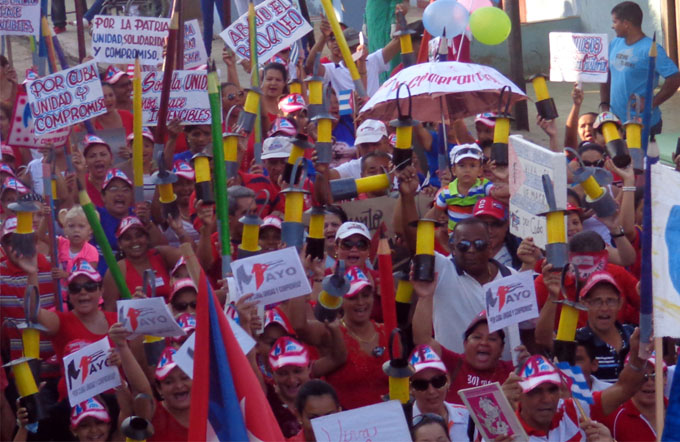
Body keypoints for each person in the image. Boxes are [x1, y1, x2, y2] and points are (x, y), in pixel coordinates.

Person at [412, 275, 515, 404]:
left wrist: (523, 362)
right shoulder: (453, 363)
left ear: (502, 349)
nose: (484, 342)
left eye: (492, 339)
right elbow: (423, 339)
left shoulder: (512, 371)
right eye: (476, 337)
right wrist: (425, 297)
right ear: (465, 343)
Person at [535, 269, 635, 383]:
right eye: (597, 301)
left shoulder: (633, 335)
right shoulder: (575, 339)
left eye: (610, 301)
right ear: (584, 303)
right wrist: (553, 296)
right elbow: (543, 339)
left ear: (620, 303)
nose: (604, 308)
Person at [601, 1, 680, 138]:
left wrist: (651, 103)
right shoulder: (615, 43)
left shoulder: (650, 49)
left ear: (626, 23)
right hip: (617, 122)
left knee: (641, 160)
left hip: (643, 125)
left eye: (615, 22)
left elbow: (675, 78)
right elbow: (605, 74)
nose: (612, 26)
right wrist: (604, 105)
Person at [502, 355, 616, 441]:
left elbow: (625, 388)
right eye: (536, 391)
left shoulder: (574, 411)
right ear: (517, 394)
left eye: (552, 390)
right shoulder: (502, 434)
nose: (547, 399)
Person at [267, 335, 345, 438]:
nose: (291, 380)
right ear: (272, 374)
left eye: (297, 371)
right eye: (283, 373)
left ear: (309, 368)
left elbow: (338, 357)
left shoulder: (326, 395)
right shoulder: (266, 405)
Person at [102, 216, 180, 310]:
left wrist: (181, 232)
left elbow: (193, 262)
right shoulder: (116, 270)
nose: (135, 241)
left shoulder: (160, 255)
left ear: (147, 238)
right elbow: (110, 311)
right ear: (120, 244)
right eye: (128, 238)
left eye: (139, 235)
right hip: (136, 321)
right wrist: (132, 305)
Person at [593, 355, 667, 441]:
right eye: (642, 376)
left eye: (655, 375)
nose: (649, 382)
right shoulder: (611, 414)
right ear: (628, 378)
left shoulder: (675, 411)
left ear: (665, 379)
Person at [409, 345, 470, 441]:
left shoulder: (469, 417)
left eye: (437, 381)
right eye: (421, 384)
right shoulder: (401, 424)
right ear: (410, 388)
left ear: (448, 381)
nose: (431, 391)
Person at [150, 347, 191, 441]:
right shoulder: (152, 414)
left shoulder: (212, 412)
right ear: (159, 389)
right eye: (169, 382)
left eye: (185, 378)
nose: (179, 386)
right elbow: (140, 389)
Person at [73, 135, 115, 208]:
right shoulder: (80, 180)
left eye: (103, 155)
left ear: (111, 159)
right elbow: (78, 203)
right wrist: (80, 171)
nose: (98, 159)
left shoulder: (120, 180)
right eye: (92, 156)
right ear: (85, 161)